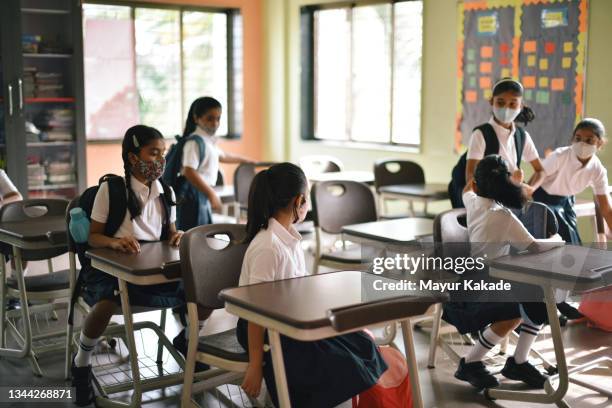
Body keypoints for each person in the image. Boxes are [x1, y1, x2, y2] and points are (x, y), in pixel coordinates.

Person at [71, 125, 212, 406]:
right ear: (133, 157)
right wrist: (114, 242)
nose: (160, 160)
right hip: (109, 268)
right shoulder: (110, 190)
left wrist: (176, 235)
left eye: (163, 153)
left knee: (207, 288)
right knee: (107, 303)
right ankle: (82, 361)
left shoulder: (165, 190)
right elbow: (93, 236)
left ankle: (186, 339)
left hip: (152, 270)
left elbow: (168, 231)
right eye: (153, 153)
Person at [237, 162, 387, 407]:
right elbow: (254, 312)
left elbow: (301, 288)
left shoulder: (291, 238)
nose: (308, 205)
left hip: (290, 320)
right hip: (262, 328)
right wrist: (256, 365)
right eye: (307, 199)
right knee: (340, 362)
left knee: (363, 343)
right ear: (298, 202)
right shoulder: (268, 247)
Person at [445, 155, 563, 391]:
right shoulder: (503, 217)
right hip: (489, 280)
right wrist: (557, 241)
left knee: (537, 299)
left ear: (478, 186)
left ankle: (518, 362)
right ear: (506, 185)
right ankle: (470, 362)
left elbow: (468, 188)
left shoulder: (472, 200)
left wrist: (488, 173)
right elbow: (534, 247)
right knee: (517, 313)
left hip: (475, 275)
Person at [178, 97, 253, 230]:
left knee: (203, 232)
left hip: (202, 195)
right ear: (196, 118)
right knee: (195, 234)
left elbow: (223, 155)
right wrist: (211, 194)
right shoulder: (194, 142)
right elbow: (188, 170)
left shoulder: (207, 140)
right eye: (210, 118)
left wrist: (246, 160)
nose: (215, 123)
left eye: (218, 118)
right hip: (194, 197)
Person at [465, 78, 545, 199]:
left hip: (512, 200)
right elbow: (471, 176)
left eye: (513, 104)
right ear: (492, 101)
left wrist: (530, 189)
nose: (506, 108)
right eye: (500, 102)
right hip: (488, 200)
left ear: (521, 106)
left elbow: (541, 171)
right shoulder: (481, 134)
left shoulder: (522, 136)